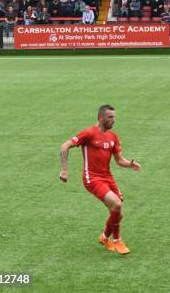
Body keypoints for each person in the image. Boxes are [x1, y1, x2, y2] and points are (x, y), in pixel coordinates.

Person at [59, 105, 141, 255]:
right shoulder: (89, 133)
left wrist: (130, 164)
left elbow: (119, 160)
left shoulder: (113, 137)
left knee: (118, 212)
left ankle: (104, 237)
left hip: (107, 177)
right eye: (110, 117)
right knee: (116, 205)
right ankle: (117, 240)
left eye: (114, 117)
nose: (113, 120)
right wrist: (64, 169)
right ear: (101, 118)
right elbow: (65, 146)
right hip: (92, 178)